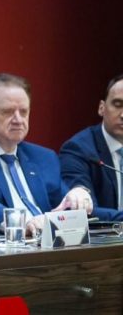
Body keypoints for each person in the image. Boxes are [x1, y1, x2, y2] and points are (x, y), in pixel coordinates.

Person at [0, 73, 92, 234]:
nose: (18, 119)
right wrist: (21, 223)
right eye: (8, 112)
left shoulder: (44, 157)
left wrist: (78, 194)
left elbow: (64, 205)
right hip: (7, 248)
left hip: (49, 245)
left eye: (23, 112)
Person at [59, 74, 123, 220]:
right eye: (118, 105)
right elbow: (84, 210)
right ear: (101, 108)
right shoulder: (78, 149)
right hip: (106, 240)